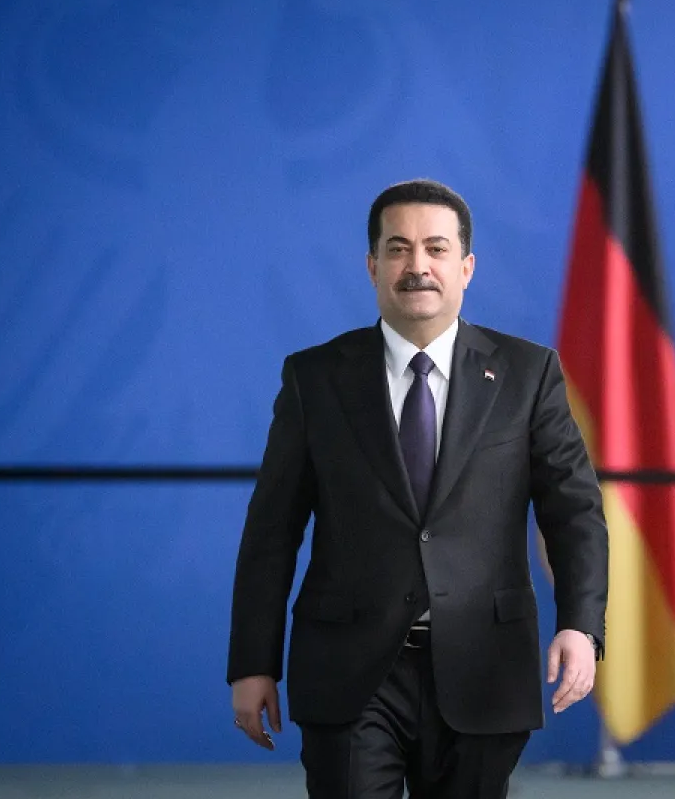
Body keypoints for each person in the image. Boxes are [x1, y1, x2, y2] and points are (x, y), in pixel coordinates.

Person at [227, 179, 609, 799]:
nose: (418, 266)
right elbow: (271, 532)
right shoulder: (315, 378)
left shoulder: (528, 372)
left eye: (435, 248)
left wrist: (582, 625)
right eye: (398, 249)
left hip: (485, 665)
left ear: (467, 267)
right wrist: (252, 661)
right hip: (351, 670)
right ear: (373, 265)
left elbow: (575, 514)